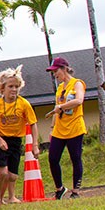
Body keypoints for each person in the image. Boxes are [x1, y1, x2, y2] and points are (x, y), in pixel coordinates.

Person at [0, 66, 38, 207]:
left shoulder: (24, 104)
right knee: (3, 172)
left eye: (16, 86)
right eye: (10, 86)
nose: (14, 89)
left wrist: (35, 145)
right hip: (1, 139)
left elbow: (33, 123)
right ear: (2, 88)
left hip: (16, 140)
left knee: (12, 176)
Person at [45, 57, 86, 199]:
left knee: (75, 158)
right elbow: (56, 109)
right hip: (59, 128)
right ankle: (60, 188)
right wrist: (52, 128)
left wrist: (62, 106)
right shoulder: (60, 88)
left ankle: (76, 191)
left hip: (74, 127)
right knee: (53, 158)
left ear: (64, 69)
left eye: (56, 71)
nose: (55, 75)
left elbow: (79, 100)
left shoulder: (77, 83)